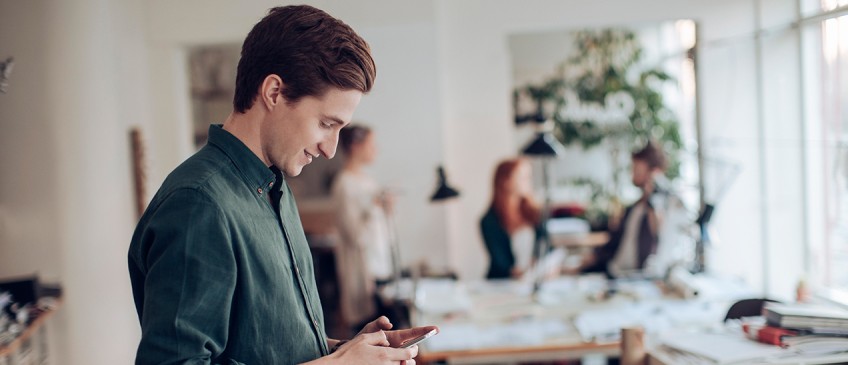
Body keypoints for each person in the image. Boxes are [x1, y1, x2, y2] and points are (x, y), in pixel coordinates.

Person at [128, 6, 435, 365]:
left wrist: (346, 350)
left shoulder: (276, 187)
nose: (330, 148)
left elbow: (270, 344)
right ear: (274, 92)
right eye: (326, 123)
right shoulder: (198, 204)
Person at [576, 141, 677, 278]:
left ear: (654, 171)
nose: (632, 173)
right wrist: (592, 257)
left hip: (638, 277)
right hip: (613, 271)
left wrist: (653, 196)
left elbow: (660, 234)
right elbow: (614, 242)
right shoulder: (633, 208)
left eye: (636, 168)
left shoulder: (664, 205)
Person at [331, 124, 394, 332]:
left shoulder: (368, 181)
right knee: (369, 329)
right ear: (356, 147)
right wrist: (375, 208)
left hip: (381, 268)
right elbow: (356, 235)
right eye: (371, 144)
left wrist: (387, 210)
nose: (375, 150)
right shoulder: (344, 185)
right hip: (362, 271)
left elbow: (381, 232)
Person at [480, 157, 544, 279]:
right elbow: (500, 262)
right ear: (506, 181)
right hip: (503, 283)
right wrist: (516, 273)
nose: (528, 181)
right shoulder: (489, 221)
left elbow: (545, 245)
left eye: (528, 176)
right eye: (523, 177)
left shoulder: (535, 213)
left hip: (534, 279)